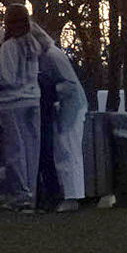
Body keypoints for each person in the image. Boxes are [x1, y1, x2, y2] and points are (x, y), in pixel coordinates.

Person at [0, 7, 50, 209]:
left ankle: (20, 194)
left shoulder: (9, 46)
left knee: (15, 149)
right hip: (33, 99)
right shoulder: (34, 44)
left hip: (13, 102)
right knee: (32, 149)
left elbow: (8, 79)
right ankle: (32, 192)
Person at [41, 34, 89, 209]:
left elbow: (69, 84)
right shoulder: (51, 54)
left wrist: (49, 93)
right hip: (68, 105)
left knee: (69, 149)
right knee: (66, 149)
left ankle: (73, 196)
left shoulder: (51, 55)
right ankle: (71, 194)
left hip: (71, 106)